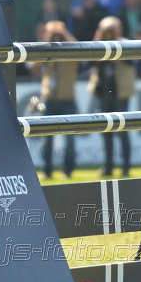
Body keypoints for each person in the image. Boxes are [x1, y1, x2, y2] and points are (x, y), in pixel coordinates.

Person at [88, 16, 135, 177]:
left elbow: (132, 63)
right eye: (105, 30)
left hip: (120, 93)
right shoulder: (99, 45)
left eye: (111, 29)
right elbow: (88, 62)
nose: (108, 33)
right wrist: (97, 39)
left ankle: (126, 167)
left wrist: (116, 41)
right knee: (106, 131)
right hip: (103, 93)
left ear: (119, 30)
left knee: (123, 131)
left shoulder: (125, 43)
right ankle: (107, 167)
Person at [37, 21, 78, 179]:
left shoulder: (70, 52)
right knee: (47, 138)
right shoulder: (47, 53)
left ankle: (68, 170)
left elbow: (77, 48)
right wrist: (47, 39)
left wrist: (63, 32)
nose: (56, 37)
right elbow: (33, 64)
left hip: (67, 98)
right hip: (49, 98)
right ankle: (47, 170)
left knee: (70, 138)